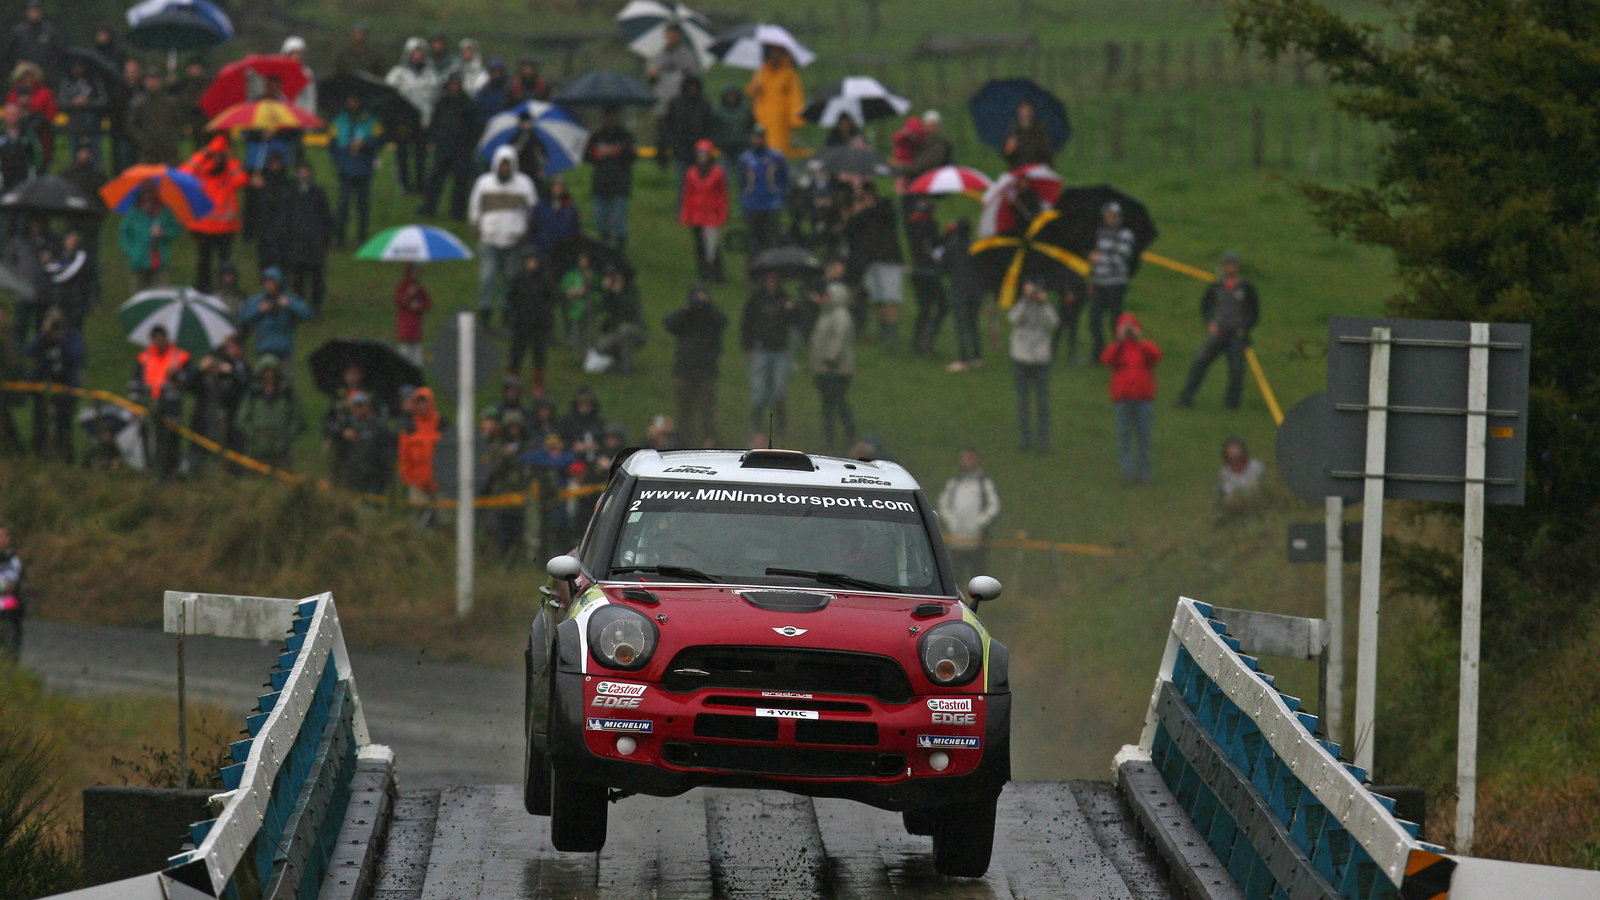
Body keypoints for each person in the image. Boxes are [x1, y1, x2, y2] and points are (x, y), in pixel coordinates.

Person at [1177, 251, 1261, 410]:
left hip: (1237, 335)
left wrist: (1245, 328)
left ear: (1237, 267)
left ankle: (1232, 405)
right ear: (1223, 267)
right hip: (1218, 333)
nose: (1229, 268)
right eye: (1227, 264)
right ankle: (1186, 398)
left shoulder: (1246, 287)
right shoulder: (1216, 286)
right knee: (1199, 362)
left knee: (1236, 370)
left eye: (1232, 265)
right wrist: (1210, 323)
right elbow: (1205, 306)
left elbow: (1254, 312)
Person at [470, 144, 537, 328]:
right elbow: (475, 208)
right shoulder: (484, 183)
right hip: (489, 240)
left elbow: (533, 210)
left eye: (508, 165)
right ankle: (485, 317)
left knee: (511, 280)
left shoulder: (524, 184)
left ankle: (507, 318)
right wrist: (477, 228)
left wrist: (526, 231)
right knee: (487, 278)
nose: (504, 169)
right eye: (502, 165)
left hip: (514, 241)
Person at [180, 134, 248, 293]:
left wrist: (230, 159)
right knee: (204, 262)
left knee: (224, 263)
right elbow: (184, 173)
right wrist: (203, 154)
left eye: (220, 155)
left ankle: (224, 290)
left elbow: (241, 180)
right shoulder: (202, 172)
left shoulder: (229, 174)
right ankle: (203, 289)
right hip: (204, 228)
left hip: (225, 229)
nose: (217, 158)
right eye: (214, 155)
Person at [1101, 312, 1161, 485]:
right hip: (1123, 399)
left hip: (1144, 399)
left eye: (1131, 327)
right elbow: (1106, 359)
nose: (1128, 331)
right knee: (1124, 438)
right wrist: (1119, 342)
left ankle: (1145, 475)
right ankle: (1128, 474)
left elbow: (1156, 355)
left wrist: (1140, 340)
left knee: (1144, 439)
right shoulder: (1117, 348)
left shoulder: (1145, 346)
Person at [662, 282, 725, 447]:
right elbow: (668, 323)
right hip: (684, 369)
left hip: (706, 370)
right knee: (684, 409)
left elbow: (723, 320)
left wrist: (708, 306)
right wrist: (690, 309)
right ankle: (684, 440)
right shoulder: (686, 316)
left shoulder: (711, 317)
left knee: (707, 409)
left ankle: (710, 440)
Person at [741, 269, 801, 440]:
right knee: (758, 391)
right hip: (761, 349)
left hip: (780, 351)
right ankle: (758, 428)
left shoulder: (786, 299)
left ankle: (781, 427)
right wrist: (748, 346)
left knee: (779, 391)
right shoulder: (756, 300)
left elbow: (797, 321)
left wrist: (792, 310)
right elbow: (747, 323)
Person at [845, 183, 903, 346]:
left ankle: (891, 332)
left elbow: (891, 215)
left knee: (890, 298)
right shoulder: (860, 214)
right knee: (878, 298)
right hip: (871, 260)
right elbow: (851, 232)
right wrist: (856, 213)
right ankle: (883, 330)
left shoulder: (885, 206)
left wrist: (870, 207)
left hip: (888, 259)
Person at [419, 72, 483, 220]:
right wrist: (433, 138)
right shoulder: (443, 102)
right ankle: (429, 206)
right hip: (443, 146)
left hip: (461, 148)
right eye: (452, 84)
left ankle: (457, 212)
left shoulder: (469, 104)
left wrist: (468, 144)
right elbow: (435, 122)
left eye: (457, 84)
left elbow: (476, 128)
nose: (454, 87)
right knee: (435, 177)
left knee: (460, 181)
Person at [1008, 279, 1059, 452]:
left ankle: (1043, 442)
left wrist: (1044, 303)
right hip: (1021, 358)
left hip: (1040, 359)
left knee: (1042, 403)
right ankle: (1025, 440)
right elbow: (1014, 318)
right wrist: (1025, 301)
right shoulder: (1021, 304)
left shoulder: (1045, 307)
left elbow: (1053, 323)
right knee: (1023, 402)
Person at [808, 263, 855, 450]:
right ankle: (829, 437)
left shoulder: (840, 315)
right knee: (828, 405)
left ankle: (848, 433)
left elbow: (838, 340)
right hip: (825, 368)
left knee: (837, 403)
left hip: (837, 370)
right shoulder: (826, 314)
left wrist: (829, 360)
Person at [188, 333, 250, 475]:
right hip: (203, 418)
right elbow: (190, 386)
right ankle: (197, 473)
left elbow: (240, 388)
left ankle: (228, 473)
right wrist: (200, 370)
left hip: (226, 420)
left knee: (227, 450)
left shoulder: (233, 372)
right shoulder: (205, 377)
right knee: (200, 449)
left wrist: (230, 372)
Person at [134, 324, 190, 478]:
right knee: (148, 439)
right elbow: (136, 381)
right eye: (155, 338)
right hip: (149, 404)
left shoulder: (180, 357)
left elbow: (189, 382)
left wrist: (177, 374)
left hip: (171, 406)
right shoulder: (145, 357)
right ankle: (151, 470)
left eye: (161, 337)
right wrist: (136, 404)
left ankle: (170, 472)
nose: (158, 341)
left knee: (170, 440)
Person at [24, 308, 80, 461]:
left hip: (65, 386)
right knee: (40, 423)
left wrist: (62, 339)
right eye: (52, 320)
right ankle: (40, 455)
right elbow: (29, 352)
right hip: (42, 387)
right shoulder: (43, 337)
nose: (55, 325)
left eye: (58, 321)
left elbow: (77, 357)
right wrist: (43, 334)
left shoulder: (72, 336)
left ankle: (65, 457)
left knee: (64, 425)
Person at [938, 448, 1001, 583]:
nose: (967, 461)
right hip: (956, 538)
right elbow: (943, 503)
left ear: (976, 459)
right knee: (955, 575)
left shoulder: (984, 482)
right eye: (964, 458)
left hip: (977, 539)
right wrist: (951, 521)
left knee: (978, 575)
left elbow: (994, 505)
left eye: (970, 458)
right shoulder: (955, 482)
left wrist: (980, 522)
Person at [386, 38, 439, 195]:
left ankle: (420, 185)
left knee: (421, 155)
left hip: (423, 120)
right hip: (403, 121)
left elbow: (435, 98)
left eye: (420, 52)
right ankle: (403, 185)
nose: (417, 55)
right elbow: (388, 94)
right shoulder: (398, 73)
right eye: (414, 52)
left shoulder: (431, 74)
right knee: (402, 154)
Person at [329, 92, 383, 247]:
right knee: (343, 204)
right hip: (345, 168)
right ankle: (339, 237)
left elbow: (379, 141)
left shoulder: (371, 120)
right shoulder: (339, 120)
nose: (351, 103)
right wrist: (340, 160)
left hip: (364, 168)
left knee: (363, 205)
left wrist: (364, 145)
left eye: (354, 100)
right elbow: (332, 145)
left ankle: (362, 237)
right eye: (349, 99)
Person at [1087, 201, 1137, 362]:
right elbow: (1094, 259)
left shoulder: (1125, 235)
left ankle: (1119, 354)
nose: (1110, 219)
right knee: (1094, 320)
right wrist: (1092, 275)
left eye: (1113, 216)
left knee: (1115, 320)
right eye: (1107, 216)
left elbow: (1121, 258)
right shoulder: (1099, 234)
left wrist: (1100, 258)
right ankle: (1099, 353)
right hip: (1099, 283)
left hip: (1116, 283)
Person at [284, 160, 335, 313]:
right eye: (302, 171)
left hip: (314, 243)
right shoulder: (291, 193)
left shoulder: (318, 193)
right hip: (297, 242)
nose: (304, 174)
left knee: (316, 279)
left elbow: (326, 217)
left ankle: (315, 307)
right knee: (298, 279)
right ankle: (298, 308)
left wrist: (325, 238)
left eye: (306, 171)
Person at [235, 355, 302, 472]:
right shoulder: (254, 393)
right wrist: (253, 434)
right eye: (266, 371)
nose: (269, 375)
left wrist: (287, 436)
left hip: (281, 448)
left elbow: (297, 418)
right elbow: (242, 418)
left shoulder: (286, 393)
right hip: (257, 448)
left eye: (272, 371)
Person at [584, 106, 636, 251]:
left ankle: (620, 249)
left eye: (613, 117)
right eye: (608, 117)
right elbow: (587, 156)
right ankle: (604, 247)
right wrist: (599, 155)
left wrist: (617, 152)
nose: (610, 120)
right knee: (600, 220)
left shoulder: (626, 137)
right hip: (601, 184)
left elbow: (632, 157)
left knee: (618, 219)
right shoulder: (597, 137)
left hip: (619, 184)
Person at [505, 251, 556, 392]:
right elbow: (510, 297)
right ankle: (511, 382)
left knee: (539, 356)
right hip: (521, 323)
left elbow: (551, 300)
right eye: (529, 261)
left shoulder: (545, 280)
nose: (531, 264)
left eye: (534, 261)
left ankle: (538, 385)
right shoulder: (519, 278)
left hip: (539, 325)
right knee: (516, 354)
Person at [680, 138, 727, 283]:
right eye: (699, 155)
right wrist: (686, 214)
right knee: (699, 244)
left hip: (711, 214)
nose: (702, 158)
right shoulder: (691, 173)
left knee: (712, 246)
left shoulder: (718, 173)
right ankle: (703, 273)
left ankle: (717, 273)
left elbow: (722, 195)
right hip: (696, 214)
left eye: (704, 154)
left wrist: (722, 213)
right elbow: (687, 194)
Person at [239, 267, 312, 360]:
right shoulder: (257, 301)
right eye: (267, 282)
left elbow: (306, 313)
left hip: (284, 351)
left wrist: (290, 305)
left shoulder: (289, 298)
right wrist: (259, 311)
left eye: (273, 282)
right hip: (264, 350)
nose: (270, 285)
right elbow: (243, 318)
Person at [118, 182, 179, 291]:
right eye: (145, 192)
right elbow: (124, 235)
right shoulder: (133, 213)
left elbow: (175, 231)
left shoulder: (165, 211)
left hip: (160, 261)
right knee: (139, 296)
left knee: (161, 295)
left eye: (151, 192)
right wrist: (132, 252)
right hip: (138, 261)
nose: (148, 196)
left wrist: (163, 233)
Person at [745, 44, 804, 156]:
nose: (774, 56)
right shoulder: (762, 71)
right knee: (760, 148)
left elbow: (795, 96)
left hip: (780, 119)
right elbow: (750, 92)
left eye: (778, 54)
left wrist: (796, 119)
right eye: (772, 53)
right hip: (761, 116)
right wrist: (755, 89)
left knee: (777, 150)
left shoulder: (789, 73)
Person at [905, 195, 946, 354]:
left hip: (919, 271)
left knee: (926, 308)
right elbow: (936, 247)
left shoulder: (913, 223)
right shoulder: (928, 225)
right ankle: (925, 340)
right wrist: (949, 235)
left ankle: (919, 341)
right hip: (928, 271)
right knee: (940, 305)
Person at [737, 125, 787, 256]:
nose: (758, 140)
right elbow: (741, 182)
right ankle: (754, 272)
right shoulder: (745, 158)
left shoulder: (776, 157)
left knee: (772, 241)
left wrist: (779, 196)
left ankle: (772, 273)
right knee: (753, 242)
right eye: (755, 137)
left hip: (771, 204)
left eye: (760, 137)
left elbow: (784, 178)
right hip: (752, 204)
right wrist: (744, 200)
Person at [398, 386, 445, 518]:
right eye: (418, 402)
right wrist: (407, 478)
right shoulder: (409, 426)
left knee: (444, 519)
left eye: (424, 401)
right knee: (416, 518)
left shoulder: (442, 423)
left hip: (440, 482)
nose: (422, 405)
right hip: (417, 481)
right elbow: (404, 455)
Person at [659, 74, 714, 185]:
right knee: (683, 183)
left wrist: (706, 145)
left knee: (701, 183)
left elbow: (710, 127)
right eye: (689, 86)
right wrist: (671, 143)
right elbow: (667, 126)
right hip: (681, 150)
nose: (692, 89)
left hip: (700, 151)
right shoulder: (676, 103)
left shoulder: (704, 104)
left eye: (694, 86)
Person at [335, 391, 394, 495]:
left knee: (373, 507)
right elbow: (339, 444)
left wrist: (385, 474)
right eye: (356, 406)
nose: (359, 409)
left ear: (368, 406)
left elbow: (386, 451)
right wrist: (343, 434)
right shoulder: (349, 424)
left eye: (361, 405)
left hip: (374, 475)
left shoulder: (379, 425)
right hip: (355, 474)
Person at [126, 68, 182, 165]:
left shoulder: (170, 102)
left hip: (169, 151)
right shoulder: (138, 104)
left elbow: (179, 122)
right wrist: (144, 142)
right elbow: (132, 126)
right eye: (149, 80)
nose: (152, 83)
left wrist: (173, 138)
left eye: (155, 79)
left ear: (160, 81)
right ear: (144, 82)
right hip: (148, 153)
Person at [56, 55, 104, 165]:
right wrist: (73, 103)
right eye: (75, 66)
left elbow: (103, 101)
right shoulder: (66, 81)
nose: (78, 69)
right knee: (75, 158)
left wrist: (88, 102)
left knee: (95, 157)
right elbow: (61, 102)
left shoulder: (95, 81)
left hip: (93, 125)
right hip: (75, 124)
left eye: (80, 66)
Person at [648, 23, 700, 116]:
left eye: (673, 34)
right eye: (669, 34)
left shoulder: (687, 55)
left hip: (680, 100)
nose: (671, 36)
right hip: (662, 98)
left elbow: (694, 76)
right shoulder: (657, 55)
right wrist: (653, 74)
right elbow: (651, 77)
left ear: (679, 35)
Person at [7, 60, 53, 164]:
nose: (28, 80)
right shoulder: (13, 94)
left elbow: (49, 114)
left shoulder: (45, 93)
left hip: (40, 135)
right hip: (17, 137)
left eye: (30, 76)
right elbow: (9, 114)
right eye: (24, 77)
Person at [4, 1, 59, 82]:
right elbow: (10, 52)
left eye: (36, 11)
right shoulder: (18, 31)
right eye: (31, 10)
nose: (34, 13)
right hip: (22, 71)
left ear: (41, 12)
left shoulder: (49, 31)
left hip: (43, 72)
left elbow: (55, 53)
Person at [527, 173, 578, 257]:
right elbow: (533, 227)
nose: (557, 188)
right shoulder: (541, 206)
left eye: (560, 186)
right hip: (544, 249)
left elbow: (575, 230)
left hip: (565, 251)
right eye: (555, 185)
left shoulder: (570, 207)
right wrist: (533, 246)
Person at [393, 263, 432, 366]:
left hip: (416, 331)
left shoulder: (420, 290)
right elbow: (398, 301)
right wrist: (408, 295)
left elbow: (428, 304)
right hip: (405, 330)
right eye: (413, 272)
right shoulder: (402, 288)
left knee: (417, 361)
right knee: (404, 359)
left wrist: (419, 306)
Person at [1003, 99, 1055, 168]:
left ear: (1032, 111)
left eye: (1027, 110)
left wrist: (1046, 165)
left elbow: (1047, 151)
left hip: (1036, 168)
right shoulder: (1013, 130)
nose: (1024, 113)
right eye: (1022, 110)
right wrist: (1010, 147)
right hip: (1018, 168)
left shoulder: (1040, 130)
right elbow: (1007, 154)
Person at [1217, 435, 1266, 504]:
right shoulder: (1224, 473)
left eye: (1235, 448)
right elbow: (1220, 495)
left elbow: (1265, 490)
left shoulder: (1256, 467)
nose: (1233, 451)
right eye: (1230, 448)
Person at [0, 525, 25, 658]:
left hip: (8, 606)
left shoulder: (13, 559)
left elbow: (11, 585)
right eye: (0, 536)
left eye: (5, 536)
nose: (3, 539)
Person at [280, 36, 316, 113]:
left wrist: (309, 115)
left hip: (300, 113)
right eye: (293, 53)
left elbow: (310, 97)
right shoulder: (279, 71)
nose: (296, 56)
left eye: (299, 53)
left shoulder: (306, 73)